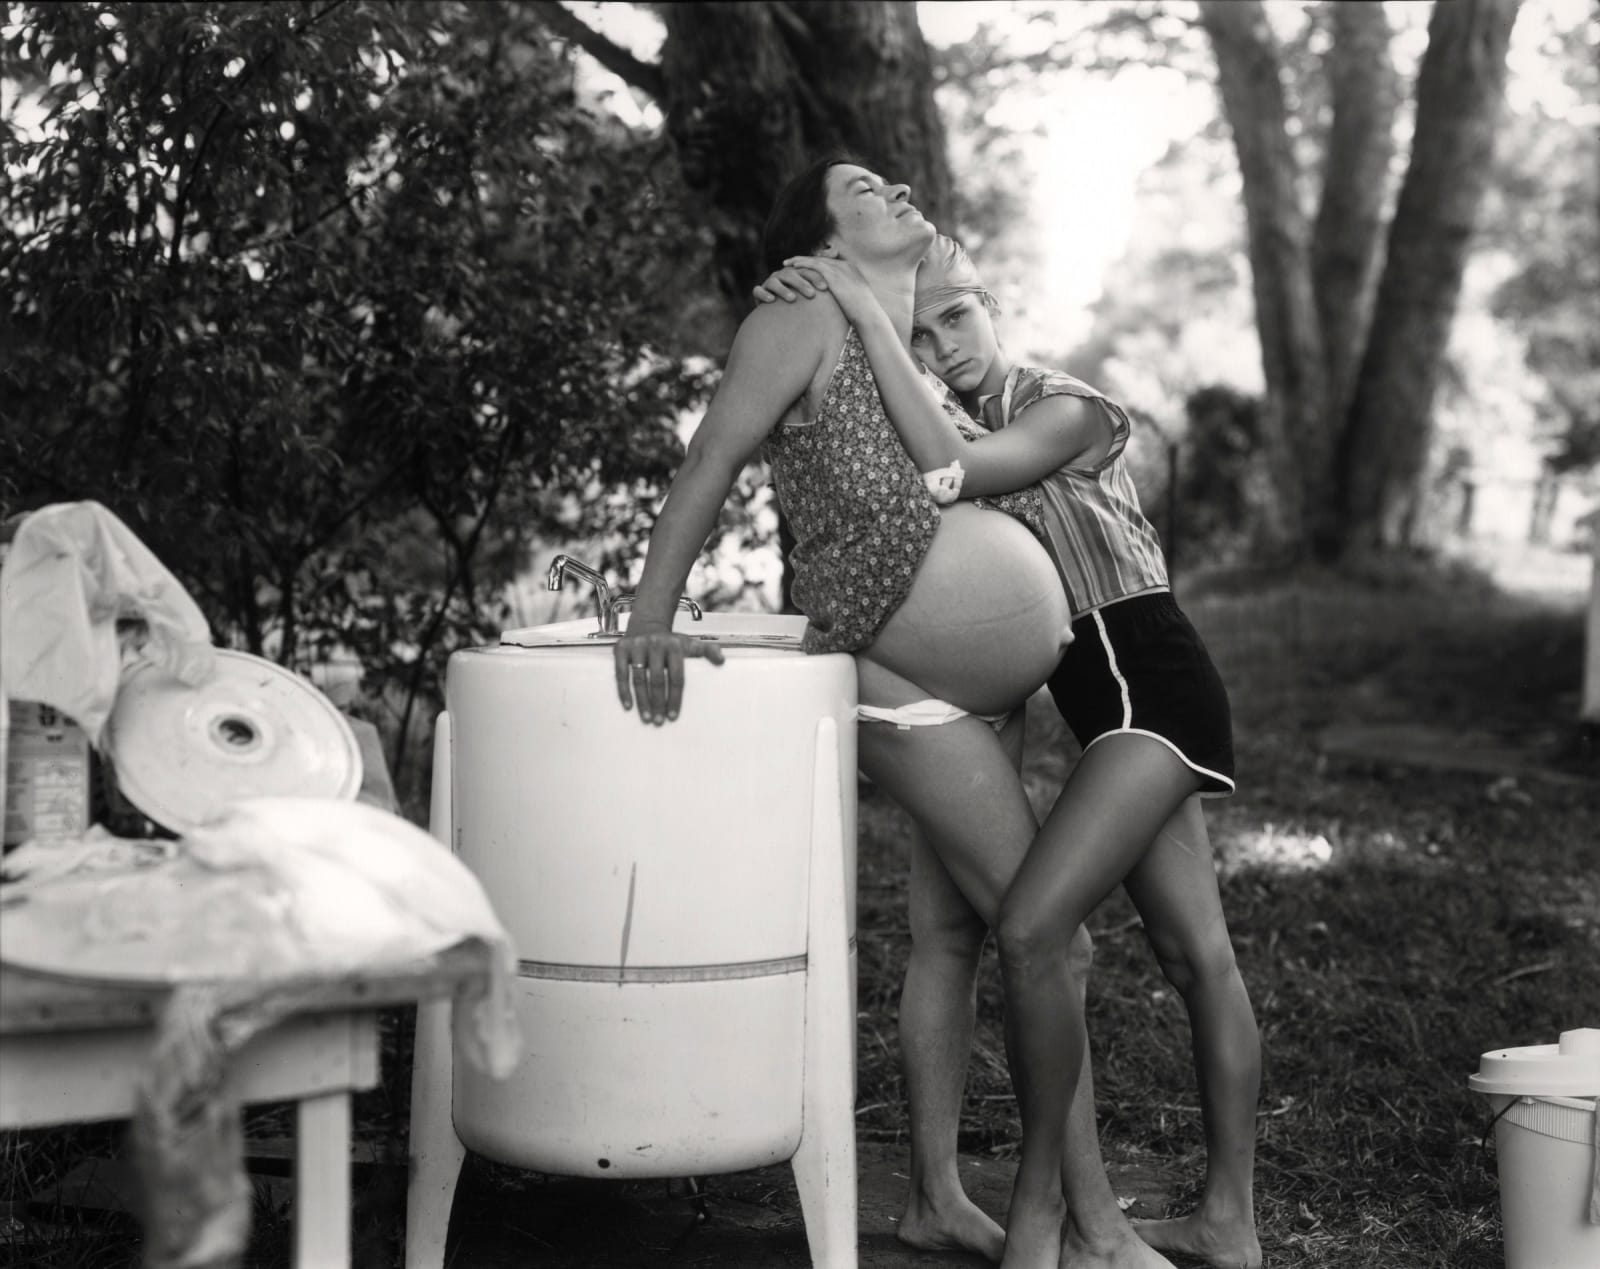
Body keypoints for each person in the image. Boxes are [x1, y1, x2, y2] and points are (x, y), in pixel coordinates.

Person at [616, 155, 1175, 1269]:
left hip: (969, 680)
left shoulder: (897, 321)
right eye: (862, 187)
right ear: (818, 238)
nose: (896, 189)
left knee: (952, 934)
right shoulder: (797, 315)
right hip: (903, 674)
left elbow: (969, 462)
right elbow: (711, 460)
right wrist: (649, 616)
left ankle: (930, 1197)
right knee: (1049, 945)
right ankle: (1098, 1227)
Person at [753, 235, 1263, 1269]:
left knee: (1033, 930)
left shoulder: (1067, 407)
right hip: (1112, 711)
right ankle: (1226, 1224)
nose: (946, 348)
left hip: (1153, 698)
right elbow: (878, 473)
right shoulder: (948, 415)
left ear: (994, 305)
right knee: (1189, 952)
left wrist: (863, 306)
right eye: (922, 334)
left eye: (957, 317)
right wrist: (818, 295)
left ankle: (1041, 1217)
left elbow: (958, 471)